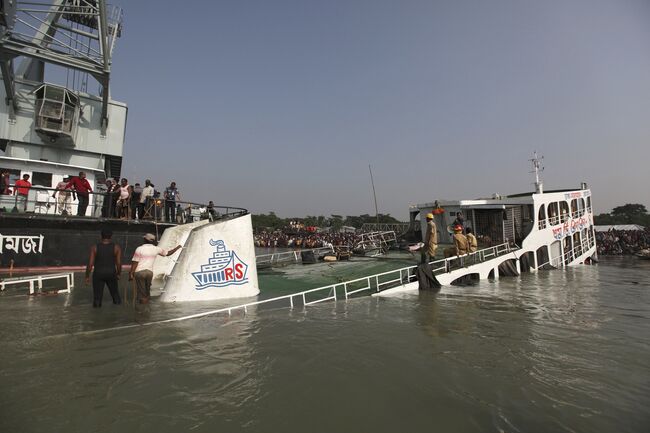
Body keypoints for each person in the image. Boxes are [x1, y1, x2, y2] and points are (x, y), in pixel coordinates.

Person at [129, 233, 181, 304]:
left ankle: (142, 311)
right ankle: (147, 310)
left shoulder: (139, 249)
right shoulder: (156, 249)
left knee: (142, 294)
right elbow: (168, 253)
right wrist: (177, 247)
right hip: (149, 273)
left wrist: (131, 273)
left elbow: (135, 262)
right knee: (147, 293)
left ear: (145, 240)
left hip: (140, 272)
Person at [85, 228, 122, 307]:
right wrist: (118, 273)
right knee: (116, 296)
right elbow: (118, 263)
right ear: (111, 237)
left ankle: (96, 317)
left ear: (101, 236)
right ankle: (118, 316)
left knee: (97, 299)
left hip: (98, 274)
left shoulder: (95, 247)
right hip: (111, 273)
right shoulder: (116, 247)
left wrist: (87, 276)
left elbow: (90, 264)